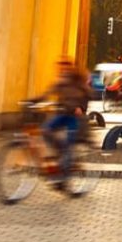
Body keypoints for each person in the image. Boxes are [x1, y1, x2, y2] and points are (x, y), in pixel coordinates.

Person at [42, 58, 89, 187]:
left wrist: (80, 107)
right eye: (59, 67)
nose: (61, 70)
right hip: (63, 114)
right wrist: (32, 101)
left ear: (69, 68)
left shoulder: (77, 81)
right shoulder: (61, 81)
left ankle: (64, 178)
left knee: (69, 144)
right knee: (46, 129)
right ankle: (60, 149)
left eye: (64, 67)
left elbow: (85, 94)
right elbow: (47, 93)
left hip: (74, 117)